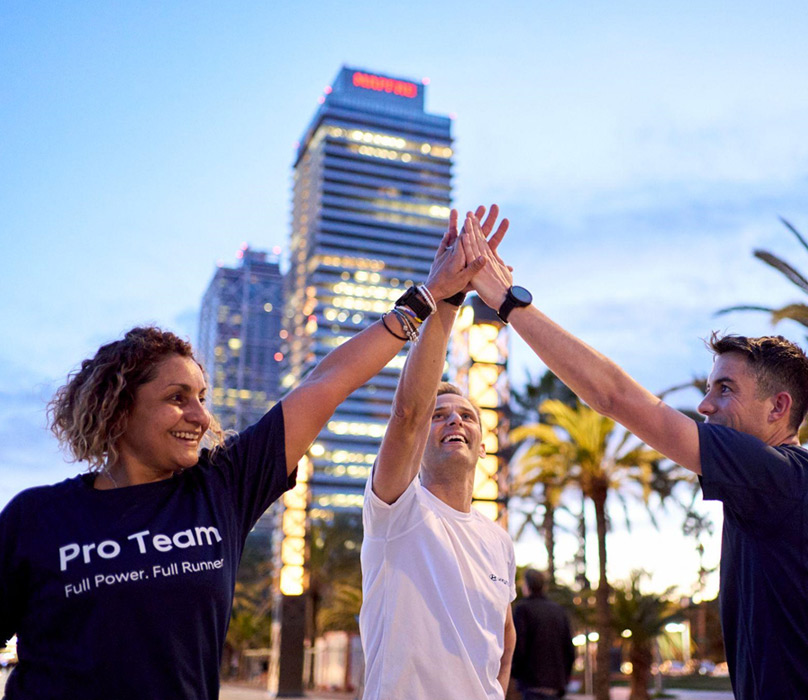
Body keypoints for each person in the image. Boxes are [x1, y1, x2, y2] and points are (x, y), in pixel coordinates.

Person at [0, 216, 475, 700]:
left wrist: (427, 298)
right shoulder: (36, 518)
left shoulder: (222, 488)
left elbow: (326, 383)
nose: (200, 416)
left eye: (202, 397)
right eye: (177, 397)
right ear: (118, 407)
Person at [462, 220, 808, 700]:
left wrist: (508, 303)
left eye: (725, 389)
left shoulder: (771, 475)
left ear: (778, 407)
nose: (705, 406)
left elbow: (615, 397)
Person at [360, 207, 517, 700]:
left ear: (483, 443)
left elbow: (505, 643)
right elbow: (408, 411)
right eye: (441, 414)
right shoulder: (396, 508)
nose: (455, 420)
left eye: (468, 416)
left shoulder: (498, 542)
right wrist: (447, 299)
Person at [512, 568, 576, 700]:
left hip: (533, 685)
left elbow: (519, 647)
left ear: (527, 586)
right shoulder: (559, 611)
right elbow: (569, 650)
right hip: (556, 687)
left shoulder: (523, 609)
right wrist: (564, 678)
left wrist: (514, 672)